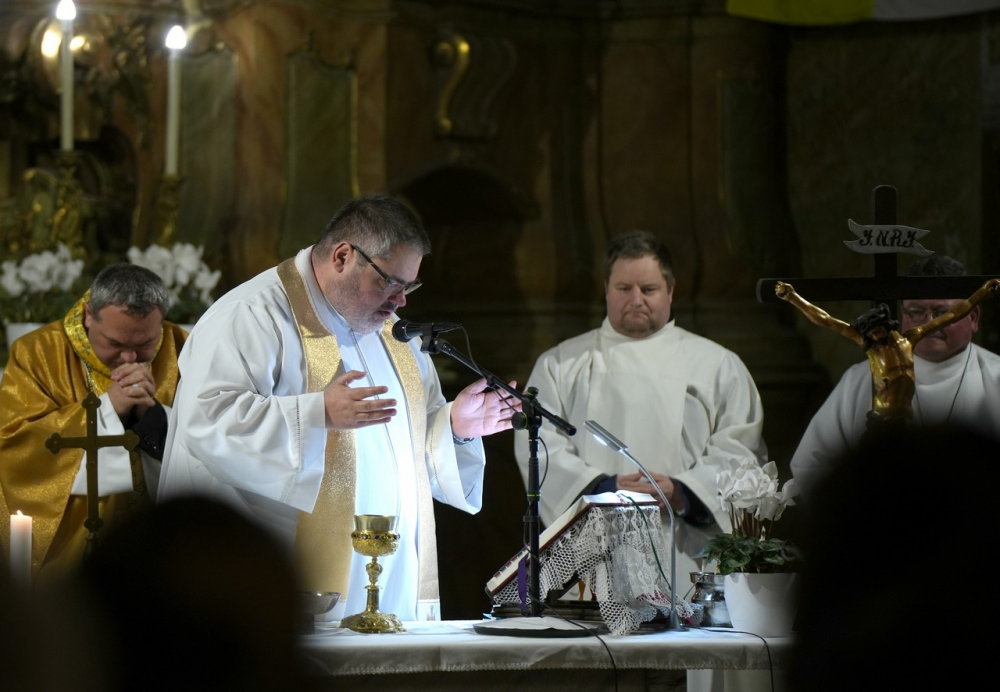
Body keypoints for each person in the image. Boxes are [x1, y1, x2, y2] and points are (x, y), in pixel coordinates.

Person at [158, 192, 520, 622]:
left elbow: (401, 445)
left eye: (409, 286)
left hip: (389, 576)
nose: (401, 302)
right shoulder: (251, 314)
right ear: (343, 256)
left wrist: (454, 428)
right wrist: (317, 415)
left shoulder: (392, 334)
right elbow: (206, 420)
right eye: (390, 282)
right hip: (275, 569)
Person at [513, 230, 769, 583]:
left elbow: (739, 451)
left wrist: (683, 492)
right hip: (596, 549)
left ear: (670, 291)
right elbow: (542, 450)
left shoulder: (718, 365)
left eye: (649, 289)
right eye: (624, 288)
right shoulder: (560, 364)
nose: (636, 300)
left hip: (687, 549)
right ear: (606, 289)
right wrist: (603, 488)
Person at [0, 263, 186, 585]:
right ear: (89, 315)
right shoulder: (37, 353)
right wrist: (107, 408)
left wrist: (151, 415)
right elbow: (15, 444)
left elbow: (211, 437)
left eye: (144, 344)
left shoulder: (182, 346)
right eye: (115, 343)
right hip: (72, 542)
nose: (129, 359)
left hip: (160, 535)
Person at [786, 255, 1000, 500]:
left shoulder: (997, 376)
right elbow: (811, 464)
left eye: (941, 312)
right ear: (902, 314)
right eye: (917, 311)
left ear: (973, 318)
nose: (929, 321)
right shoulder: (859, 380)